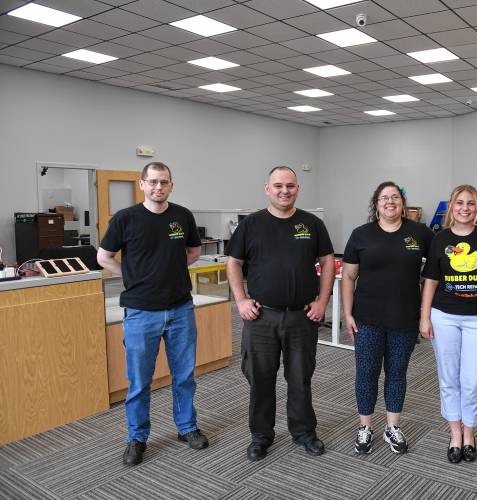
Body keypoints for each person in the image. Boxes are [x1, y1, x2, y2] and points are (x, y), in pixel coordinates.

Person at [97, 162, 208, 466]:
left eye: (165, 182)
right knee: (139, 381)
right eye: (153, 182)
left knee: (184, 376)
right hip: (140, 312)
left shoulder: (182, 216)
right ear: (142, 184)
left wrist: (168, 272)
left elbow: (194, 253)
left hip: (180, 309)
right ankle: (137, 437)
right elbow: (103, 257)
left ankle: (187, 428)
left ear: (171, 185)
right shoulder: (126, 219)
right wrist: (132, 275)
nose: (159, 187)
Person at [225, 166, 334, 462]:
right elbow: (233, 262)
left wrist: (323, 300)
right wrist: (241, 300)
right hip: (261, 317)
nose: (284, 191)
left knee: (300, 378)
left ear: (298, 189)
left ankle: (304, 433)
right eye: (278, 186)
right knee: (260, 379)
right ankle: (261, 436)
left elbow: (327, 261)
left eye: (290, 186)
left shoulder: (311, 224)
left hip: (302, 317)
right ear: (267, 189)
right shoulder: (252, 224)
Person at [342, 181, 434, 455]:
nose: (390, 201)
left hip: (404, 318)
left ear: (403, 203)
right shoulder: (361, 234)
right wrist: (347, 313)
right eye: (384, 198)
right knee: (366, 374)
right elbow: (348, 276)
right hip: (367, 318)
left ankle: (392, 426)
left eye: (395, 197)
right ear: (376, 204)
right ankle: (365, 426)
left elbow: (436, 270)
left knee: (397, 373)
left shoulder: (419, 233)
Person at [420, 185, 477, 463]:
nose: (465, 208)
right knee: (448, 378)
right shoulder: (440, 239)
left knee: (472, 380)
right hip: (443, 316)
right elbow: (430, 281)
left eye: (471, 203)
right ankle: (455, 434)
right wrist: (424, 317)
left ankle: (470, 432)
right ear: (451, 207)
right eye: (460, 203)